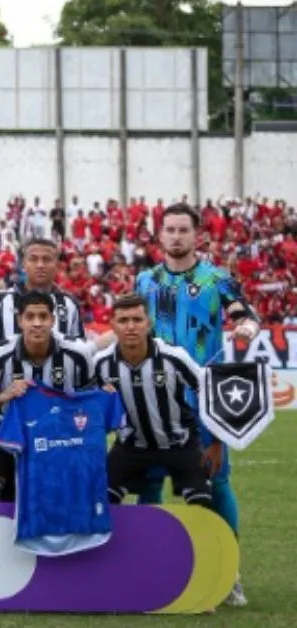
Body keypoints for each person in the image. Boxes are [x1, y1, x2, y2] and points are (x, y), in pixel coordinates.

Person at [134, 204, 260, 606]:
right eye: (168, 229)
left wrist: (245, 325)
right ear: (160, 236)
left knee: (216, 479)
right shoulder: (145, 280)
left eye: (182, 230)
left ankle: (230, 571)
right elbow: (131, 327)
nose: (175, 236)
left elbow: (241, 310)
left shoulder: (215, 278)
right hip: (154, 394)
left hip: (204, 396)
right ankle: (145, 566)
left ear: (197, 236)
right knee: (150, 480)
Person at [0, 290, 96, 502]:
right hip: (1, 431)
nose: (37, 323)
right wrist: (3, 396)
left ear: (53, 320)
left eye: (43, 317)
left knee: (57, 497)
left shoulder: (77, 354)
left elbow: (90, 407)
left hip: (54, 434)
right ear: (20, 321)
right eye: (30, 317)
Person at [94, 294, 215, 511]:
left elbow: (208, 390)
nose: (131, 327)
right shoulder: (100, 364)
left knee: (203, 506)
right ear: (112, 325)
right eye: (123, 321)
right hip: (131, 446)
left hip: (181, 443)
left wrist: (216, 443)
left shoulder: (173, 357)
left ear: (149, 323)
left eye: (137, 320)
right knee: (99, 503)